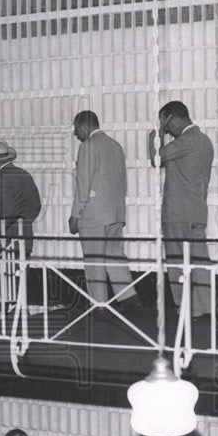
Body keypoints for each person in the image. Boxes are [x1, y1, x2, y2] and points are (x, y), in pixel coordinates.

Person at [148, 101, 214, 318]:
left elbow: (156, 159)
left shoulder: (185, 141)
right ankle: (204, 306)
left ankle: (187, 307)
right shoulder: (204, 141)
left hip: (177, 214)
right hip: (197, 211)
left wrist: (155, 131)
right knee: (199, 261)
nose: (168, 131)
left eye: (167, 125)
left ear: (172, 118)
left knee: (178, 261)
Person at [69, 109, 138, 309]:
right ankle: (127, 296)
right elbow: (121, 182)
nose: (76, 133)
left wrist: (75, 215)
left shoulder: (87, 147)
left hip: (94, 215)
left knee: (94, 260)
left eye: (76, 128)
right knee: (115, 254)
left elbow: (83, 185)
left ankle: (98, 304)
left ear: (85, 126)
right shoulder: (116, 146)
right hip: (115, 213)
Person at [0, 138, 42, 258]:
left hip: (4, 242)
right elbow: (36, 206)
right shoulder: (24, 174)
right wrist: (23, 223)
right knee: (20, 274)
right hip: (25, 239)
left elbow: (5, 214)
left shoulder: (1, 179)